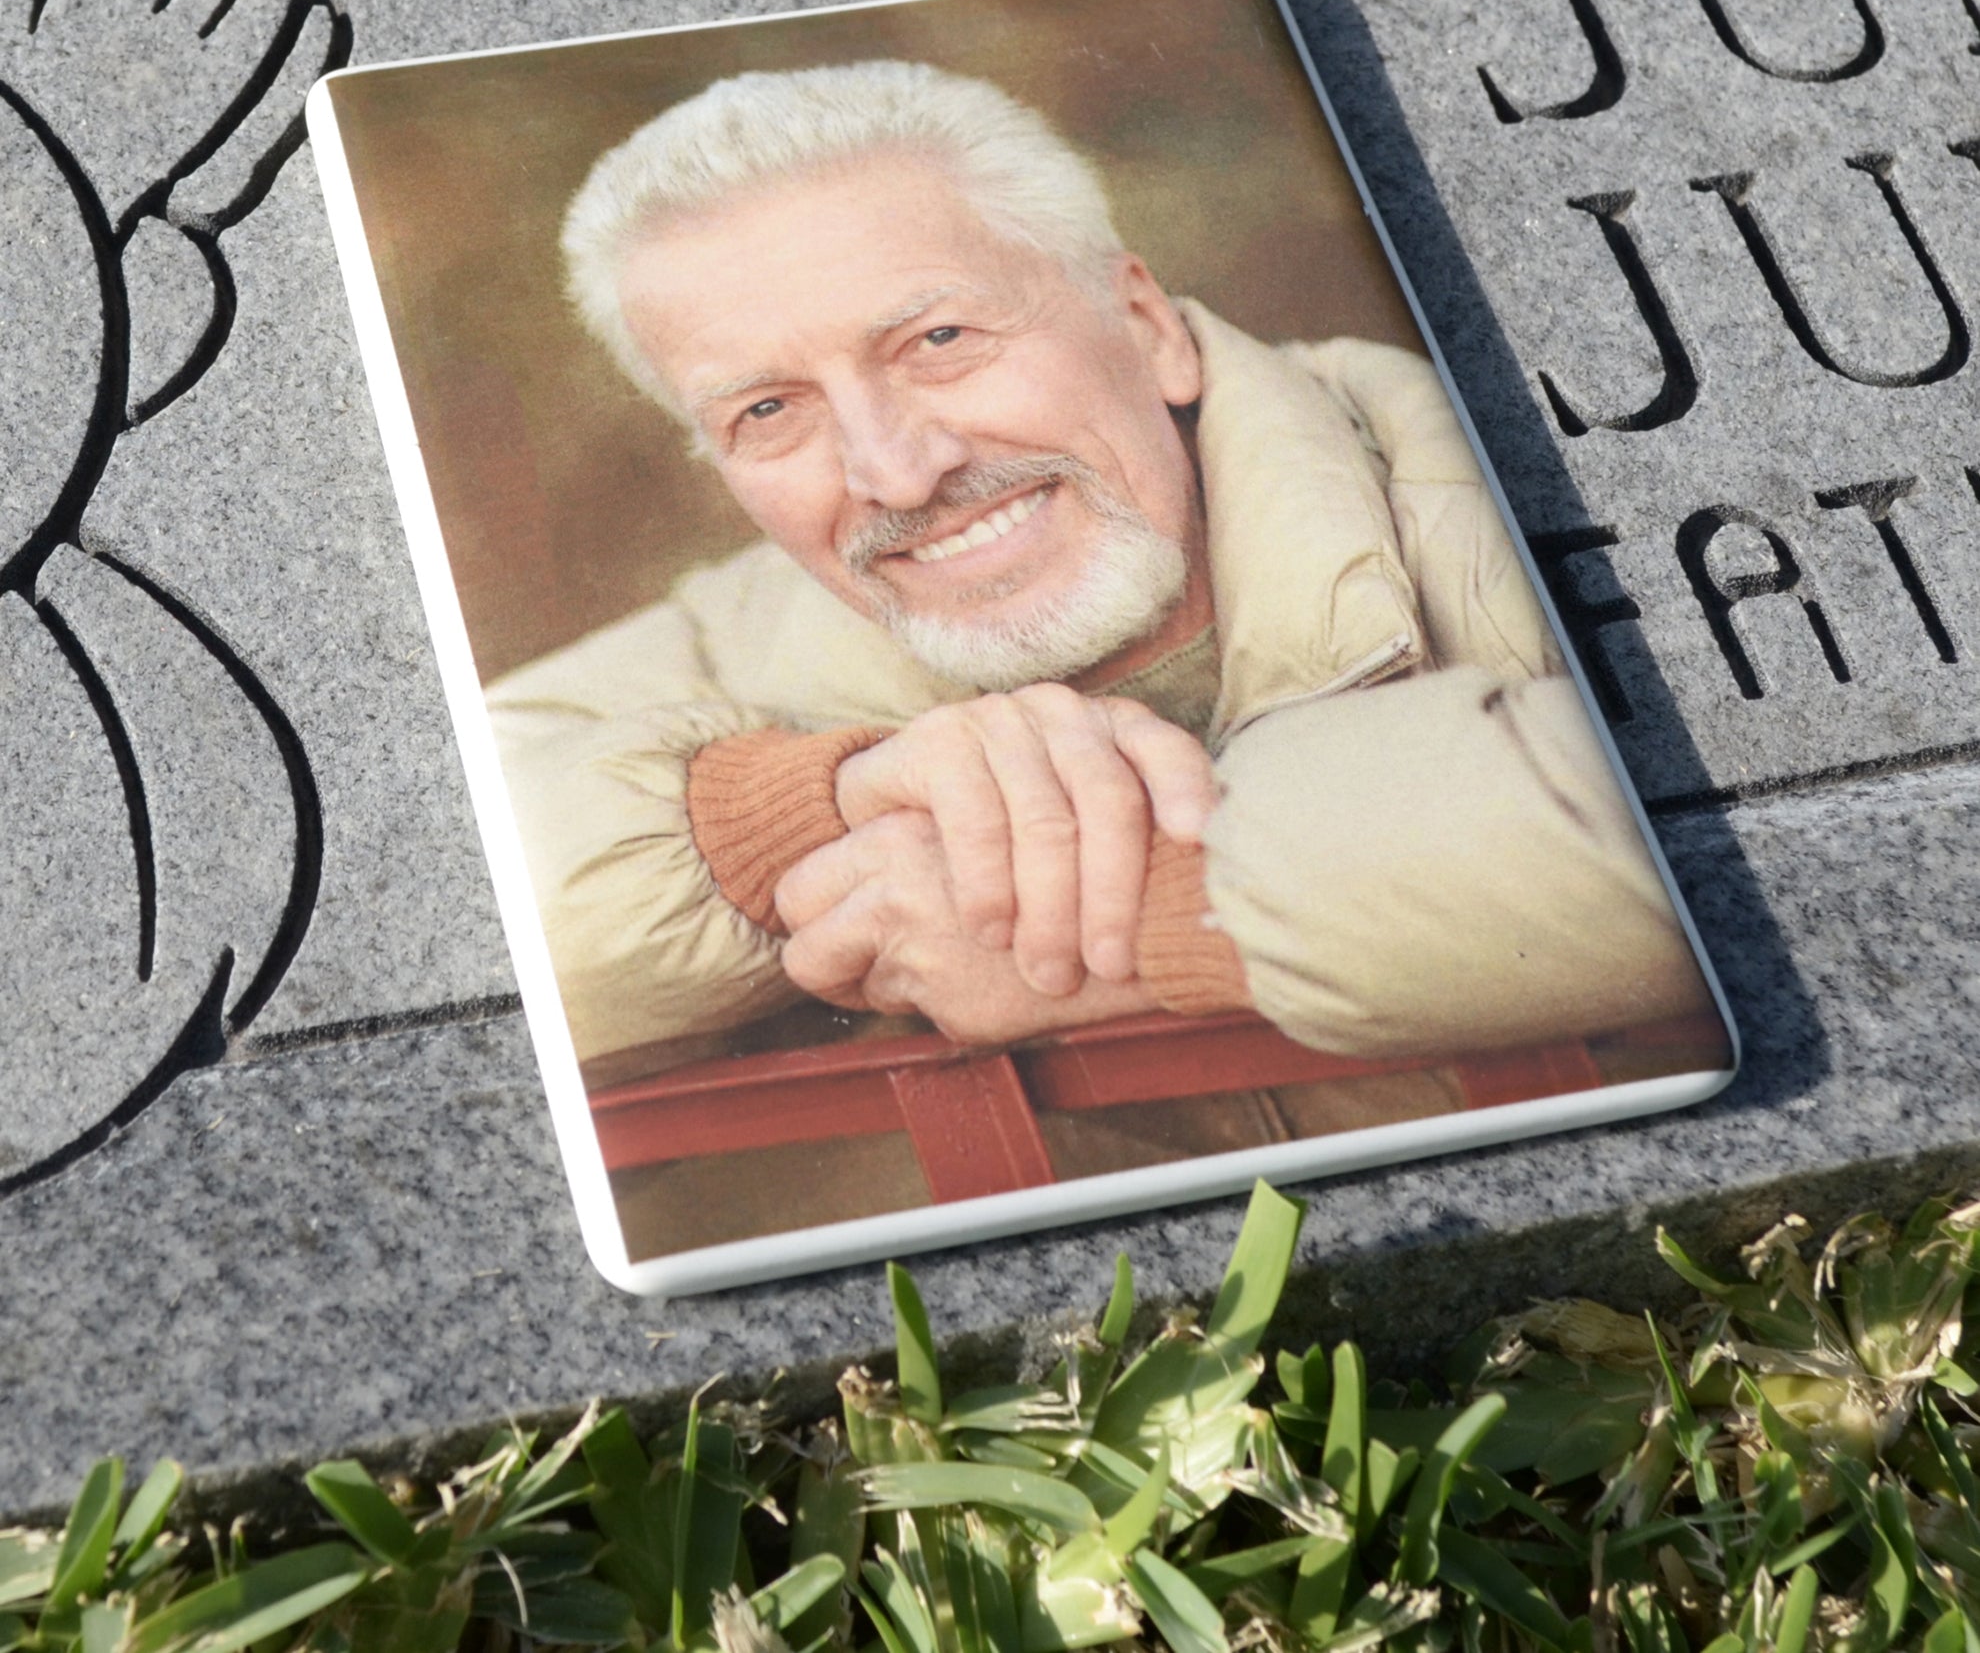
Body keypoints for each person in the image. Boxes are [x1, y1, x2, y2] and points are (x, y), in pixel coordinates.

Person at [489, 60, 1709, 1076]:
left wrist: (1143, 912)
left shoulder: (1518, 468)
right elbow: (431, 889)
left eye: (941, 340)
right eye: (768, 410)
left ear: (1148, 328)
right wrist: (806, 807)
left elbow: (1771, 819)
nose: (896, 474)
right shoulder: (757, 629)